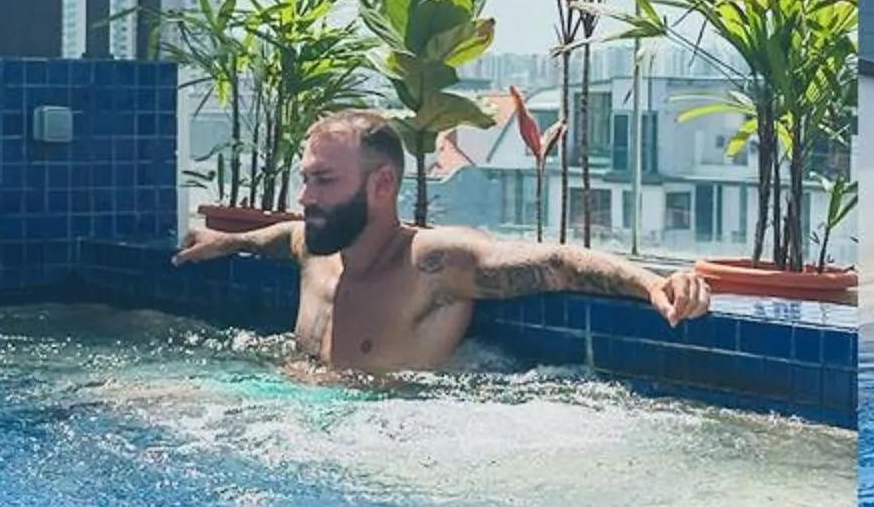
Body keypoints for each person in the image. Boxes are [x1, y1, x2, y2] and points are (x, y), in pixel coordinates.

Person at [173, 109, 712, 374]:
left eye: (324, 181)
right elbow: (279, 236)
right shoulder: (316, 249)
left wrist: (654, 285)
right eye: (307, 179)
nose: (306, 196)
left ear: (382, 184)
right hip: (288, 413)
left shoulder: (431, 265)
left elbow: (557, 262)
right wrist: (227, 242)